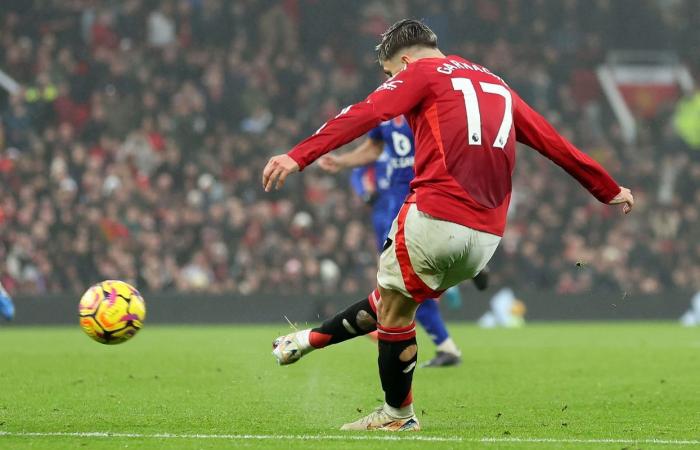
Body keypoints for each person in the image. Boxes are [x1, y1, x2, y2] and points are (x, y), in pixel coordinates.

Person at [262, 19, 634, 431]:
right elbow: (551, 140)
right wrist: (606, 187)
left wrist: (300, 155)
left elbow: (366, 112)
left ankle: (397, 415)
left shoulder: (419, 72)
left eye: (389, 75)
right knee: (392, 301)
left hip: (435, 215)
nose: (390, 82)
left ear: (403, 61)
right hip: (486, 239)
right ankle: (306, 342)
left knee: (395, 314)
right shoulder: (495, 83)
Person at [318, 116, 489, 367]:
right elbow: (372, 149)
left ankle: (462, 269)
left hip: (418, 197)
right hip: (394, 205)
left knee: (408, 282)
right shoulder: (385, 116)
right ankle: (447, 339)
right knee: (409, 282)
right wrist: (342, 161)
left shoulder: (423, 109)